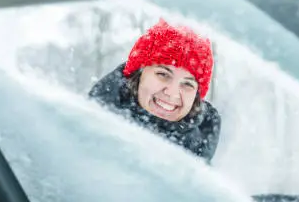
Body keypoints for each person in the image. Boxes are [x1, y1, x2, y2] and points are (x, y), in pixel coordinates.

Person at [88, 19, 221, 163]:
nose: (172, 93)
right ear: (138, 75)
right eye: (163, 74)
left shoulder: (198, 168)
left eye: (187, 84)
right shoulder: (86, 130)